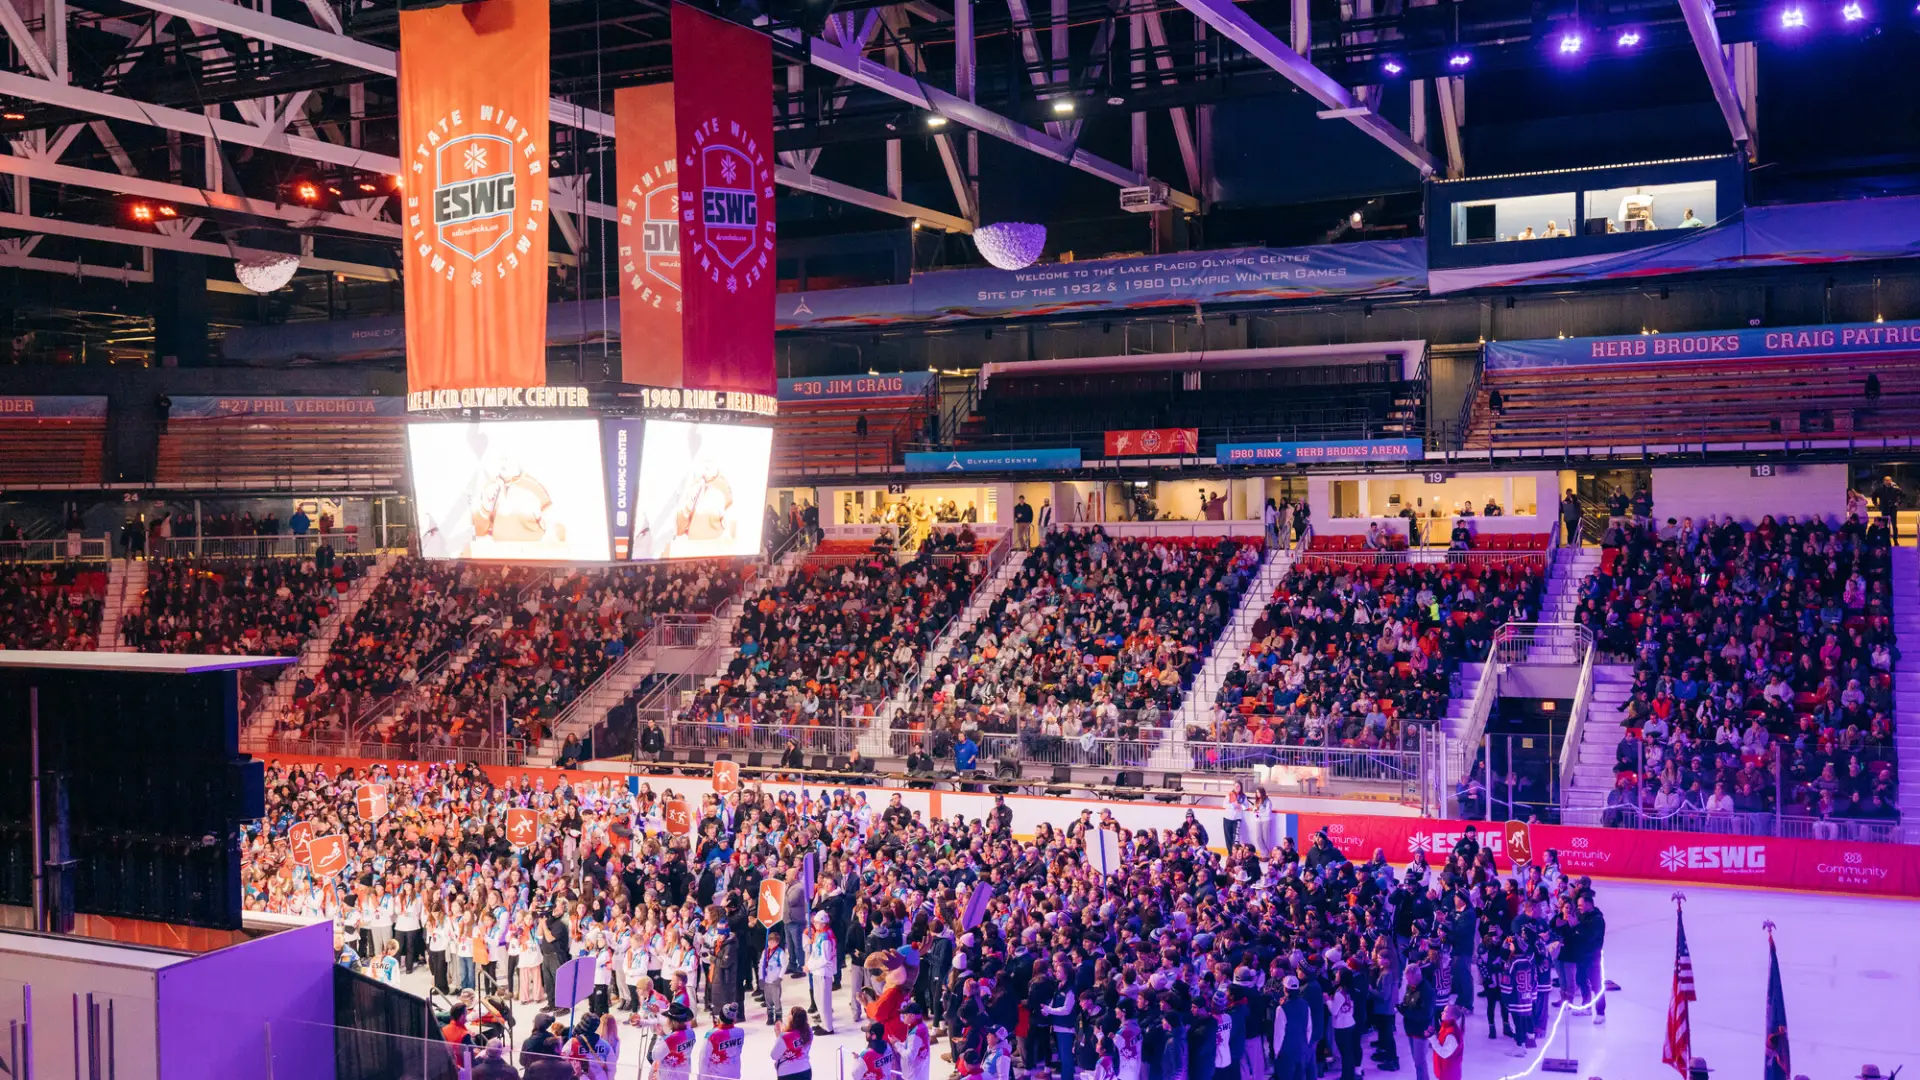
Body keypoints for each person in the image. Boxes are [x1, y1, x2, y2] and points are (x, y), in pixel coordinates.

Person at [804, 911, 837, 1034]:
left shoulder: (825, 938)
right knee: (818, 999)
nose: (814, 924)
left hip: (823, 972)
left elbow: (825, 958)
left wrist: (810, 966)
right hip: (817, 971)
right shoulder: (820, 934)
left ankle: (828, 1027)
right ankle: (823, 1022)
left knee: (824, 1000)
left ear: (823, 923)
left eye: (817, 922)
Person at [773, 1006, 814, 1079]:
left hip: (787, 1073)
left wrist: (778, 1037)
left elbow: (774, 1055)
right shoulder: (808, 1032)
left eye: (789, 1014)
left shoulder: (785, 1037)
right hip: (805, 1070)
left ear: (792, 1019)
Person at [1430, 1004, 1464, 1080]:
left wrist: (1432, 1038)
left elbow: (1444, 1053)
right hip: (1446, 1072)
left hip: (1449, 1075)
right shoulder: (1445, 1027)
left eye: (1445, 1012)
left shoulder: (1452, 1034)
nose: (1442, 1013)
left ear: (1452, 1016)